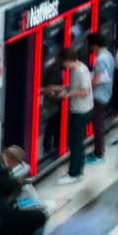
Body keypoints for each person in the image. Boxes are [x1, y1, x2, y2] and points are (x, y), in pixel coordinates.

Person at [47, 48, 93, 184]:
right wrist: (57, 88)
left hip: (80, 112)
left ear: (66, 60)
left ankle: (73, 174)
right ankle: (78, 172)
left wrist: (67, 95)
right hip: (84, 110)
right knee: (78, 143)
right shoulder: (81, 68)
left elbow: (84, 90)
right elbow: (73, 86)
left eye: (63, 62)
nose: (63, 65)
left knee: (75, 143)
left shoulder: (78, 71)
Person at [88, 33, 114, 165]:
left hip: (99, 96)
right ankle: (99, 150)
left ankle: (98, 153)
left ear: (95, 45)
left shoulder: (100, 59)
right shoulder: (108, 55)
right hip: (106, 94)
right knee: (100, 124)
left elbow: (96, 80)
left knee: (97, 125)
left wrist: (87, 88)